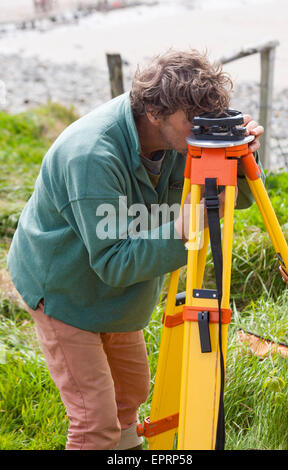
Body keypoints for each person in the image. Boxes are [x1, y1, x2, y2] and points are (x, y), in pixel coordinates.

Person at [7, 49, 264, 450]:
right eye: (194, 121)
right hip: (63, 288)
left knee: (130, 395)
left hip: (118, 293)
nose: (202, 129)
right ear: (155, 110)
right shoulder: (91, 154)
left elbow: (239, 200)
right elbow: (112, 261)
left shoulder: (181, 139)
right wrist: (180, 231)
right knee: (95, 420)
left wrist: (240, 155)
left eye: (209, 119)